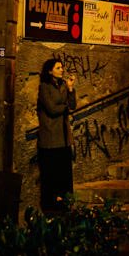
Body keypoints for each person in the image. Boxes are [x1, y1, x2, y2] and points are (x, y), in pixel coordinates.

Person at [36, 57, 77, 212]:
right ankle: (50, 208)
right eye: (58, 67)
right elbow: (52, 109)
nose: (62, 70)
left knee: (64, 176)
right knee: (50, 176)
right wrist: (65, 107)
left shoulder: (64, 86)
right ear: (50, 70)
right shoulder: (44, 87)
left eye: (62, 67)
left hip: (64, 138)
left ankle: (64, 206)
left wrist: (71, 88)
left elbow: (72, 106)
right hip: (50, 138)